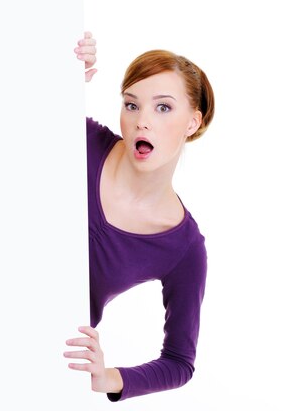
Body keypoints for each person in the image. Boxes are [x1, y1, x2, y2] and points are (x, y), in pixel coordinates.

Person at [63, 32, 215, 402]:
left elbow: (179, 362)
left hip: (46, 363)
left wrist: (108, 377)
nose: (141, 121)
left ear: (192, 122)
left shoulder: (183, 247)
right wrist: (61, 78)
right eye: (131, 105)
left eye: (163, 108)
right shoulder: (76, 138)